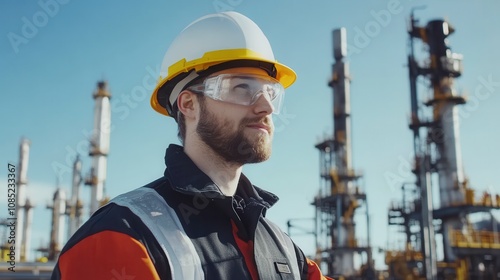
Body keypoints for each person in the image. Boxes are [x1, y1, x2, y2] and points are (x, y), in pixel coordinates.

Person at [51, 11, 332, 280]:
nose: (266, 106)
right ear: (188, 104)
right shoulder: (122, 234)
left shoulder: (283, 248)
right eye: (241, 88)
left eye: (271, 92)